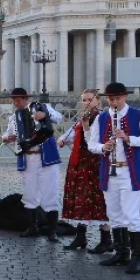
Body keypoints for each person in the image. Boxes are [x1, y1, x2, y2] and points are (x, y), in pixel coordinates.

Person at [87, 82, 140, 274]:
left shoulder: (139, 115)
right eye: (111, 99)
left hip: (129, 172)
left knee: (131, 215)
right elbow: (91, 145)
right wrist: (103, 147)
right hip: (109, 172)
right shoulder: (102, 118)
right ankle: (121, 254)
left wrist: (129, 138)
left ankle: (138, 259)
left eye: (117, 98)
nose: (114, 102)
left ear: (125, 97)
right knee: (114, 215)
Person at [2, 88, 63, 241]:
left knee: (50, 193)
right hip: (28, 158)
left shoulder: (42, 107)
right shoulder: (14, 117)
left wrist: (45, 115)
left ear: (25, 99)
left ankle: (52, 231)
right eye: (14, 100)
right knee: (30, 194)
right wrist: (7, 137)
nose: (16, 103)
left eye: (18, 100)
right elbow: (6, 134)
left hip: (46, 158)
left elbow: (59, 118)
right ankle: (32, 227)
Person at [57, 89, 111, 251]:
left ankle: (106, 240)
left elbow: (94, 141)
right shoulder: (84, 117)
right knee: (80, 198)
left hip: (94, 163)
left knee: (97, 200)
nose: (86, 102)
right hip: (79, 163)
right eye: (84, 100)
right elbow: (72, 133)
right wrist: (63, 140)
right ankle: (81, 237)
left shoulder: (103, 117)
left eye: (89, 99)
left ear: (98, 100)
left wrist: (86, 126)